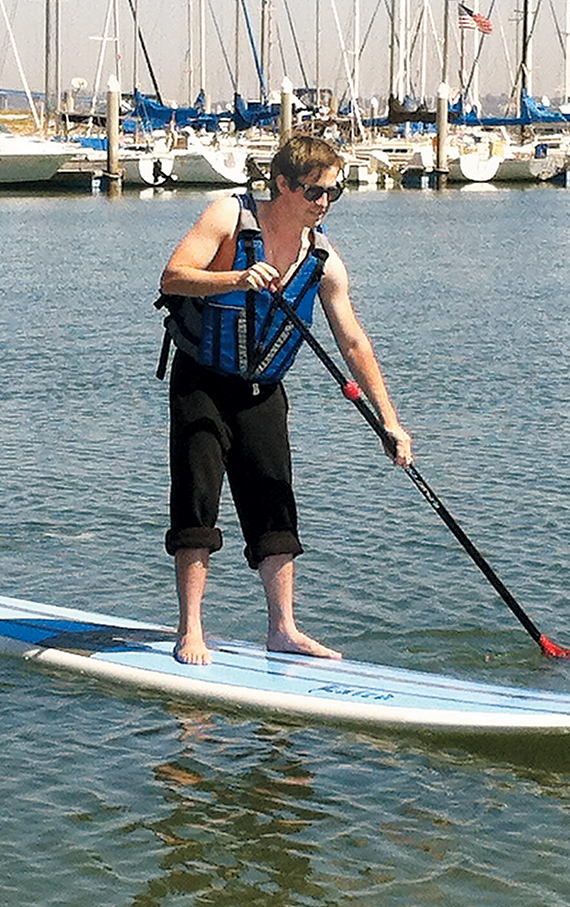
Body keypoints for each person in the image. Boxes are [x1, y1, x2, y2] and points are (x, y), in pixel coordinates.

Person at [156, 134, 414, 666]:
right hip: (201, 381)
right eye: (317, 193)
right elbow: (173, 277)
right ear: (283, 185)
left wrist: (391, 422)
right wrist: (236, 278)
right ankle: (191, 630)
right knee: (197, 502)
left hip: (263, 392)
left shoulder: (322, 260)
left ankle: (283, 629)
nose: (324, 204)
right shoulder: (229, 215)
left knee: (275, 506)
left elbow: (353, 342)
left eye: (334, 194)